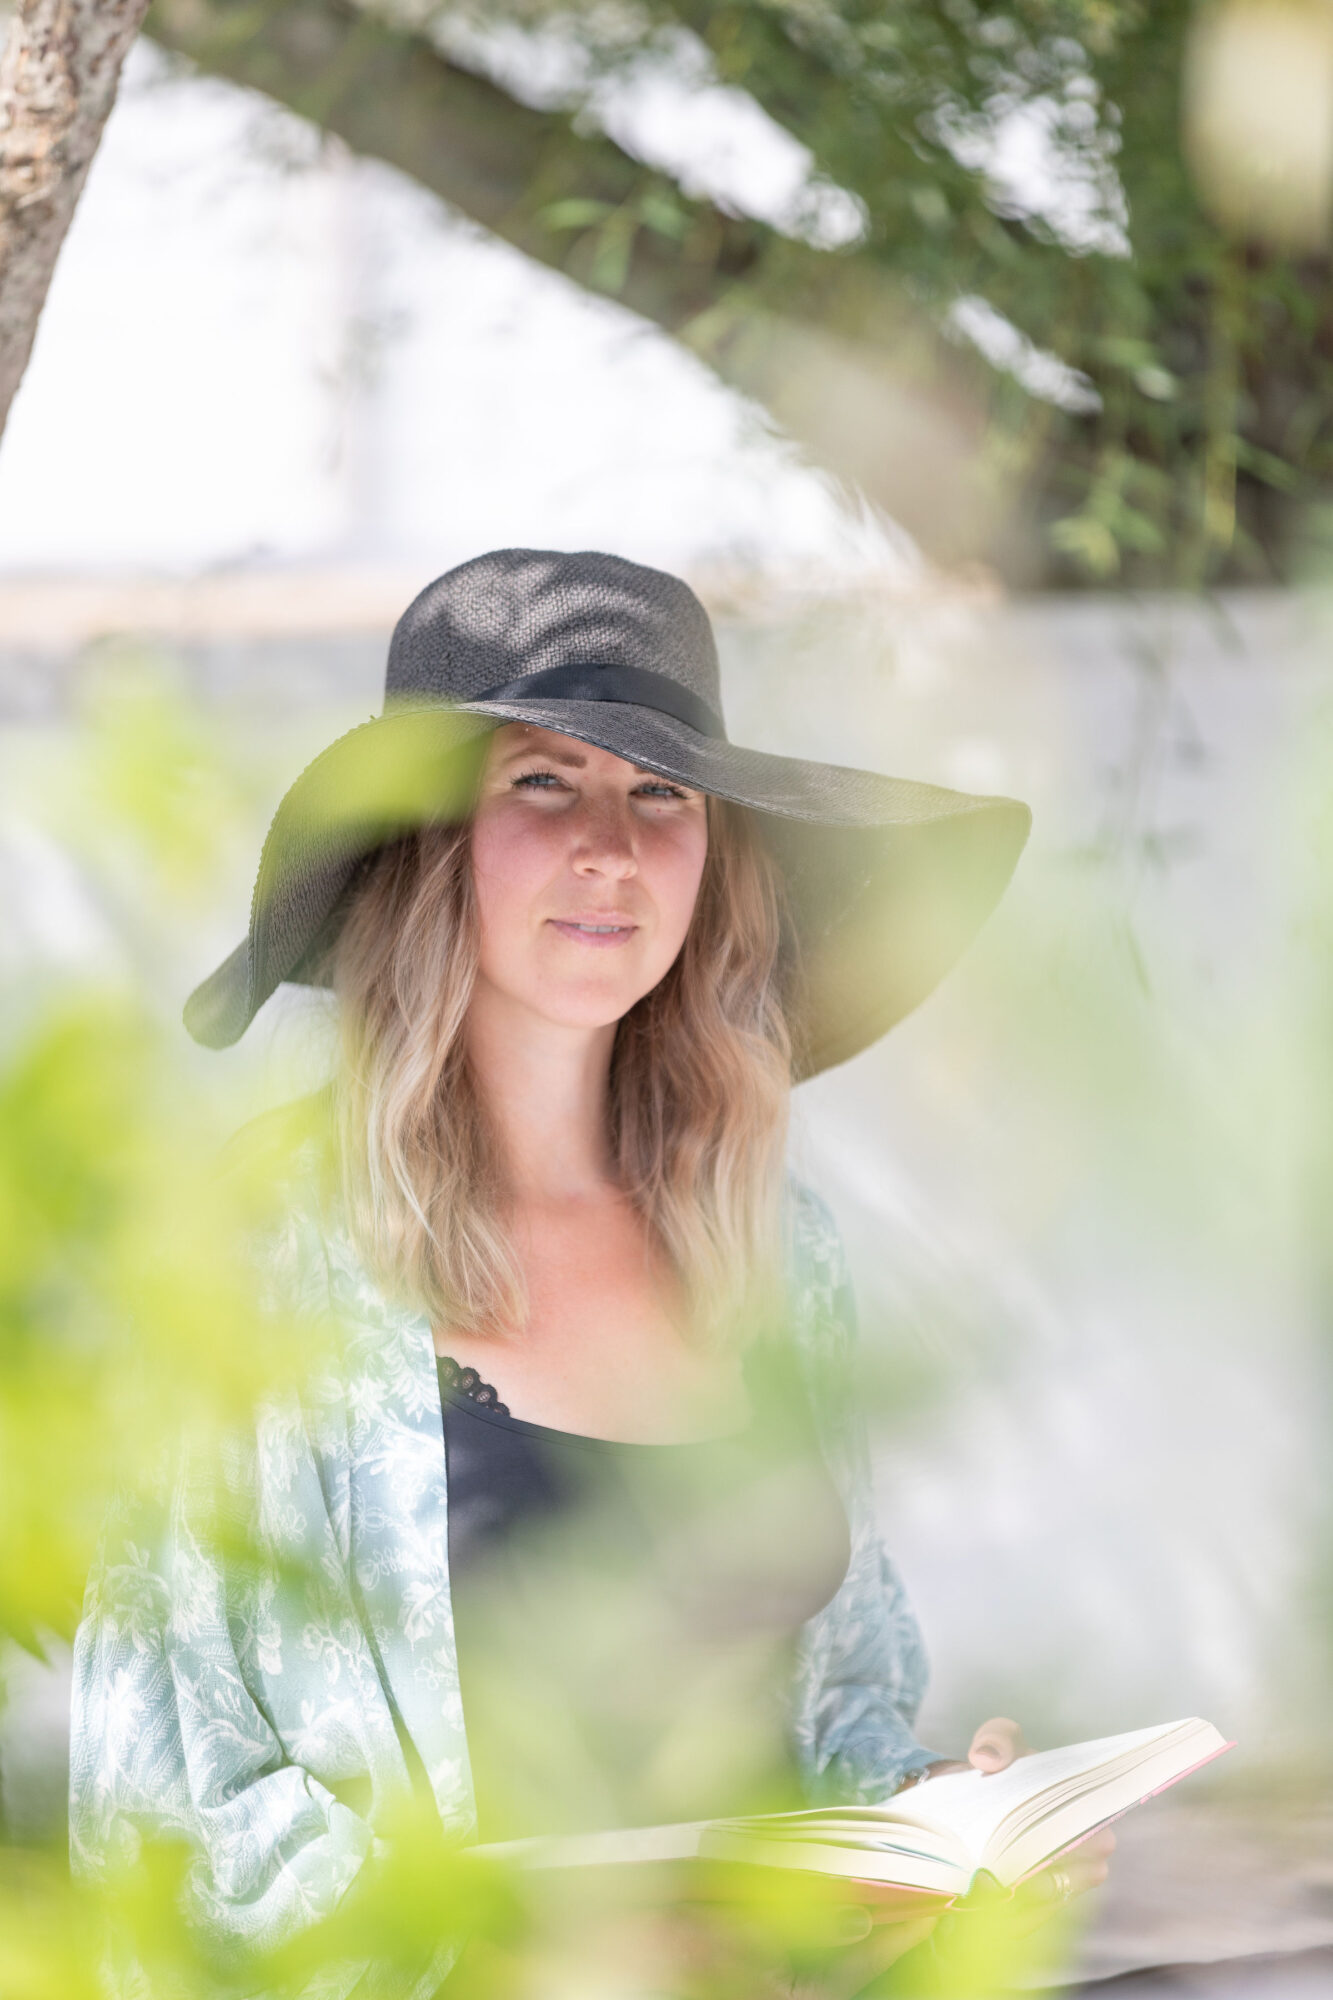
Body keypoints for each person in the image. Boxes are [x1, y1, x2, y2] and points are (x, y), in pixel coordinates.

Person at [69, 550, 1111, 1999]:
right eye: (543, 784)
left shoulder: (771, 1245)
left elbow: (837, 1705)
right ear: (430, 841)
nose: (608, 850)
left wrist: (936, 1819)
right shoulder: (261, 1249)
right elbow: (172, 1785)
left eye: (659, 794)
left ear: (715, 857)